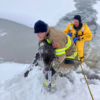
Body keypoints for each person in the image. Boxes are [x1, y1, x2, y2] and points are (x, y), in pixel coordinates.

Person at [33, 20, 78, 91]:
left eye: (40, 32)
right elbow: (41, 49)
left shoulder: (55, 38)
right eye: (36, 33)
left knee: (52, 72)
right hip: (61, 53)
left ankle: (50, 88)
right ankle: (62, 72)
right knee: (50, 68)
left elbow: (60, 57)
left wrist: (50, 66)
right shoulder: (43, 36)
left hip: (69, 56)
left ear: (44, 31)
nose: (38, 35)